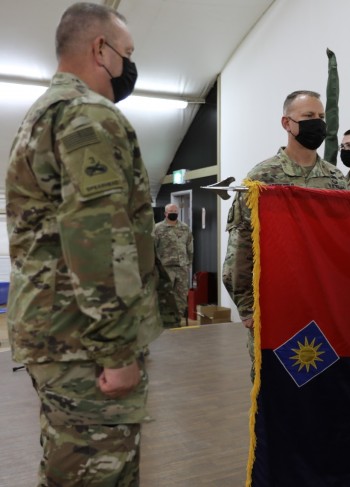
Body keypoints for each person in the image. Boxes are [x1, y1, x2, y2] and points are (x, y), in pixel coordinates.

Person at [5, 3, 164, 485]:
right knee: (98, 473)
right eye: (128, 53)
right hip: (84, 342)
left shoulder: (44, 114)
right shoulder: (88, 116)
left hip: (57, 332)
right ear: (101, 49)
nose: (130, 65)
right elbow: (98, 235)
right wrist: (116, 351)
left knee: (70, 465)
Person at [223, 90, 347, 369]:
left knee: (319, 382)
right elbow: (240, 248)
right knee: (275, 390)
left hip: (322, 305)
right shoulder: (262, 178)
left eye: (321, 117)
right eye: (308, 116)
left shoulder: (335, 179)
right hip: (275, 306)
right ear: (286, 123)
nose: (317, 123)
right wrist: (246, 307)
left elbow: (342, 246)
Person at [154, 203, 193, 325]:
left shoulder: (185, 228)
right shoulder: (158, 228)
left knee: (181, 296)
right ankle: (165, 320)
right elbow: (153, 248)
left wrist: (189, 263)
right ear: (165, 213)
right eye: (171, 211)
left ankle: (178, 320)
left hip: (181, 267)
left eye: (175, 211)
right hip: (165, 267)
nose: (173, 213)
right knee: (165, 295)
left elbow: (190, 246)